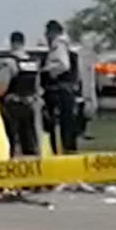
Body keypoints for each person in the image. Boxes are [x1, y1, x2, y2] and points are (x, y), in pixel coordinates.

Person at [0, 31, 40, 157]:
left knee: (12, 140)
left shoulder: (9, 62)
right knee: (30, 139)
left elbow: (1, 87)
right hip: (30, 105)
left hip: (13, 105)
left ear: (12, 43)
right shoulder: (32, 62)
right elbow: (37, 86)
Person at [42, 20, 77, 154]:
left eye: (47, 32)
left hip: (59, 90)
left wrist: (49, 71)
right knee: (67, 125)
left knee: (59, 126)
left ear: (53, 32)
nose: (46, 36)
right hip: (67, 90)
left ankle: (60, 151)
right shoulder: (68, 45)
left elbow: (63, 65)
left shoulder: (58, 45)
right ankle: (67, 151)